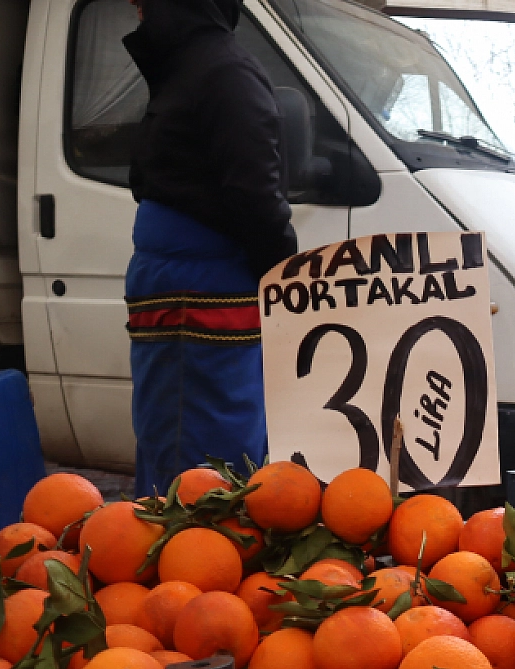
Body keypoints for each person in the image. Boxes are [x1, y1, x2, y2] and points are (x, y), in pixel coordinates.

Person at [122, 0, 298, 498]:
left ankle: (198, 547)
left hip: (199, 286)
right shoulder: (203, 68)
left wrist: (281, 276)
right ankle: (185, 546)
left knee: (200, 454)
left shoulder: (218, 73)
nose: (136, 9)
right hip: (192, 283)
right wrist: (281, 269)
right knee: (191, 448)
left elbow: (255, 197)